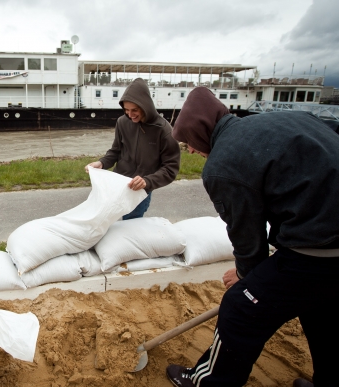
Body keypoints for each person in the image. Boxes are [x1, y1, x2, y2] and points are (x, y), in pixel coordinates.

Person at [167, 86, 339, 387]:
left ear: (202, 130)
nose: (191, 150)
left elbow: (247, 234)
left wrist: (247, 276)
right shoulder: (278, 120)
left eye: (189, 143)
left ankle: (205, 382)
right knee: (323, 308)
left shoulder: (222, 165)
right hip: (326, 240)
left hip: (318, 248)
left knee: (241, 307)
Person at [85, 78, 180, 220]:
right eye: (126, 110)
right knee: (104, 221)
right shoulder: (122, 122)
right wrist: (102, 163)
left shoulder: (164, 130)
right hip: (117, 184)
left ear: (146, 105)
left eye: (135, 110)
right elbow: (115, 151)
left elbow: (170, 168)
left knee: (130, 226)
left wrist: (147, 181)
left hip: (140, 190)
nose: (130, 115)